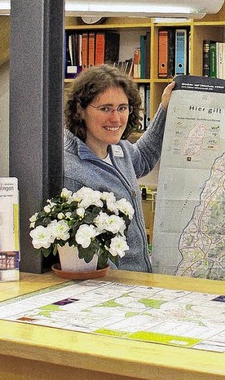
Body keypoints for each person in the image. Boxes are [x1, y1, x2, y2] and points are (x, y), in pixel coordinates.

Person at [63, 64, 174, 272]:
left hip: (140, 280)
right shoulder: (70, 171)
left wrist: (166, 109)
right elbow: (91, 257)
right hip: (117, 288)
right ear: (80, 109)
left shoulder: (116, 147)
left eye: (122, 108)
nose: (116, 119)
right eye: (105, 109)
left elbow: (142, 157)